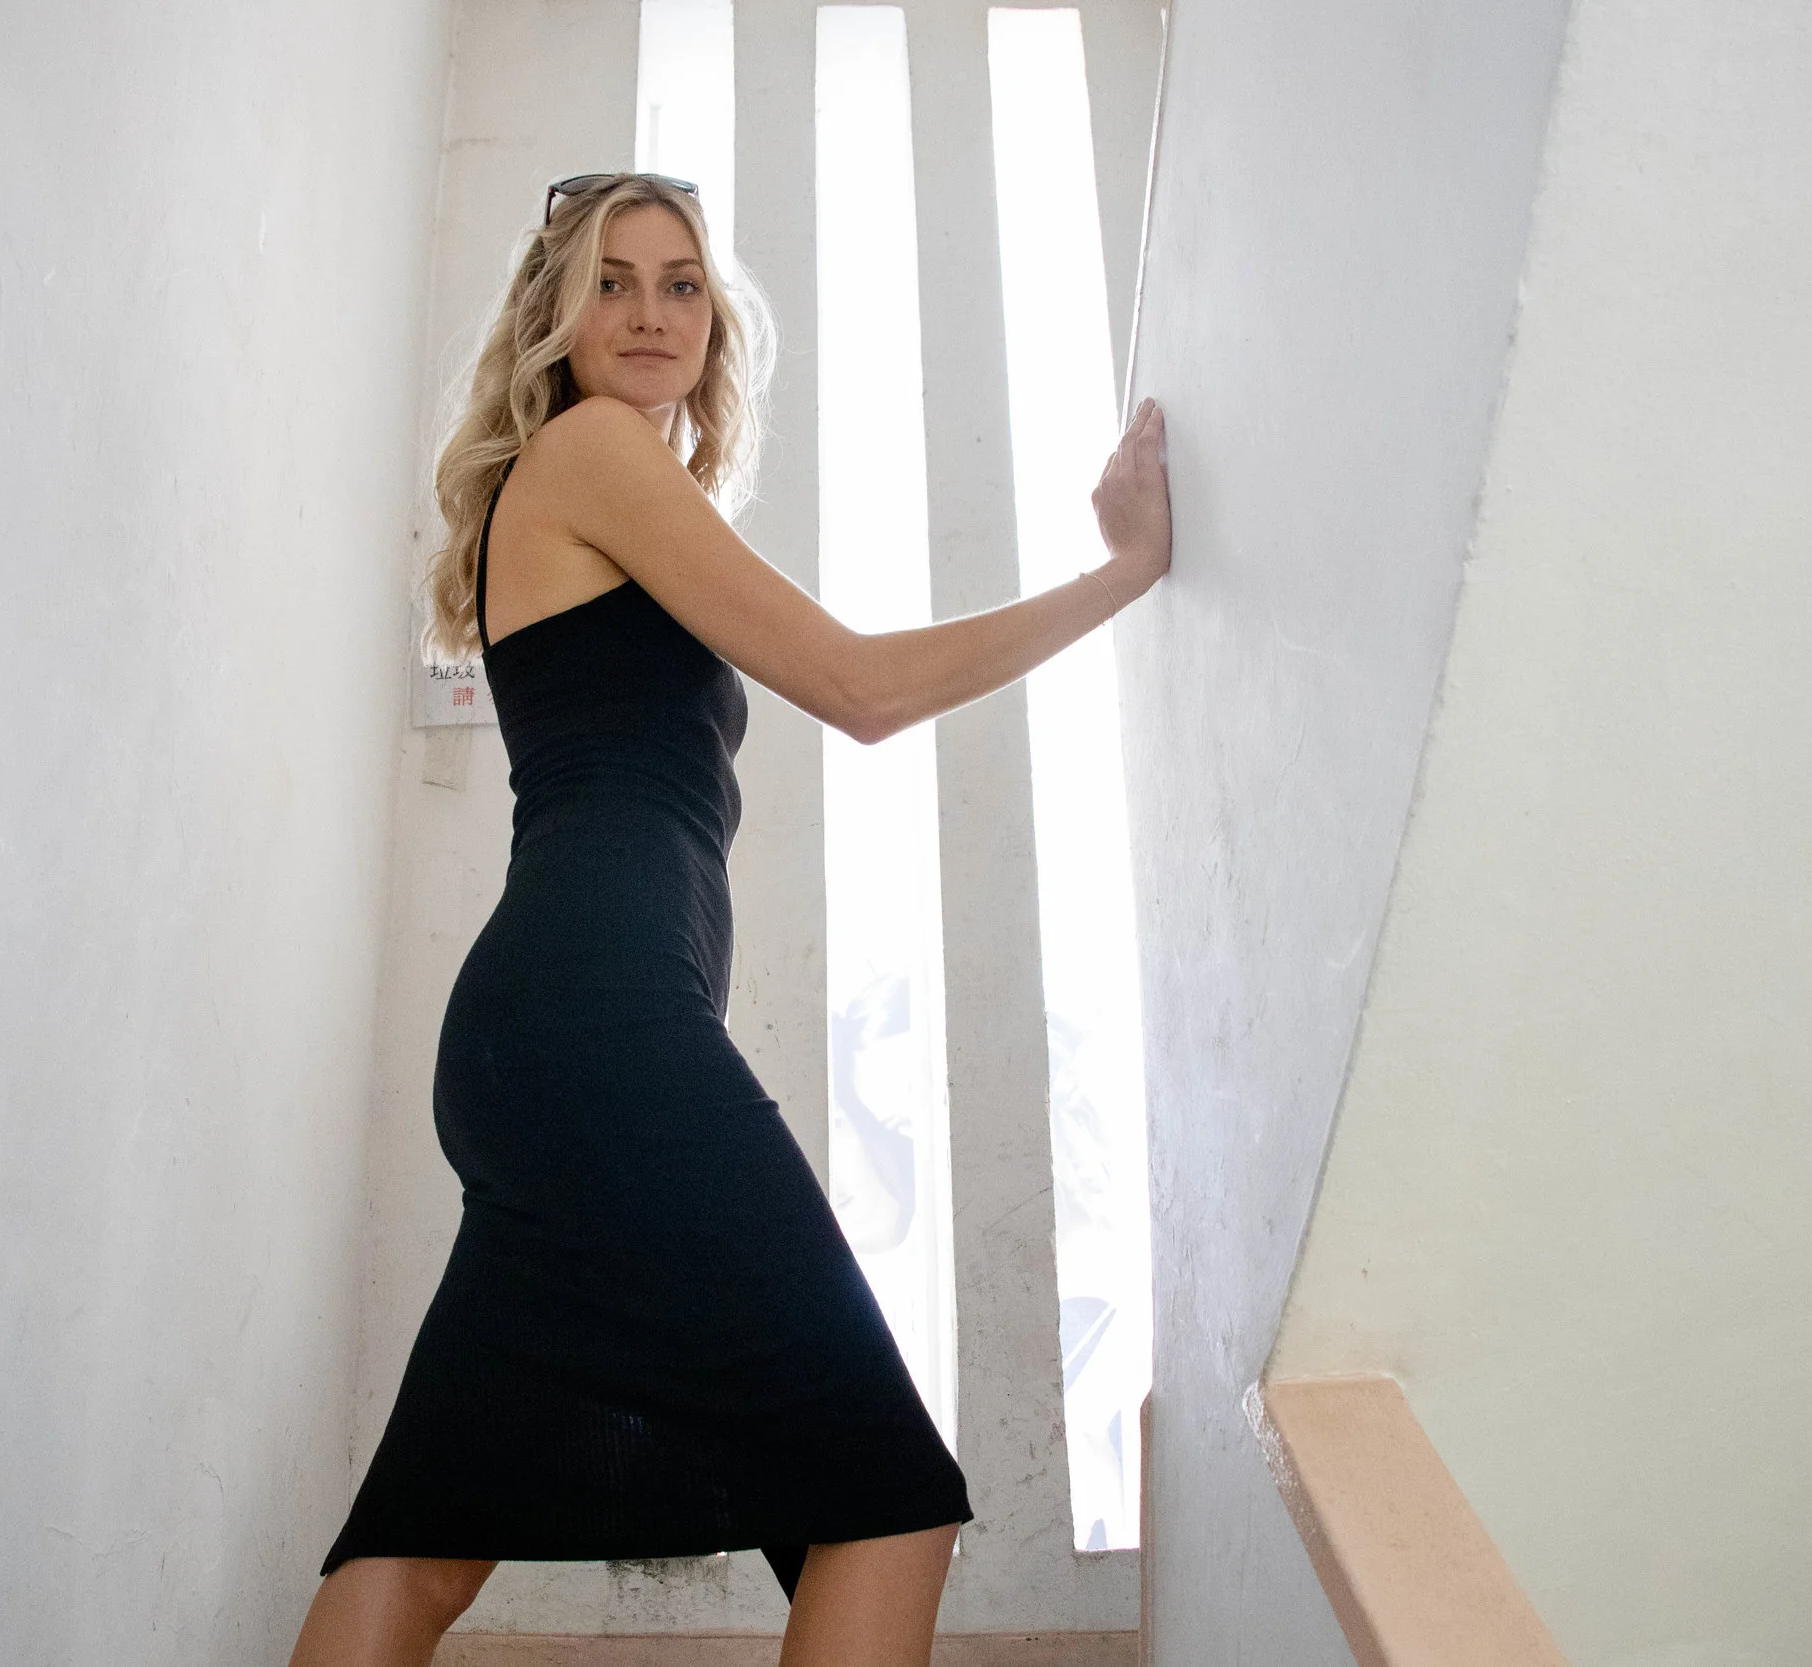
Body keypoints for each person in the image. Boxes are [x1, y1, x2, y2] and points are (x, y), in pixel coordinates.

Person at [287, 171, 1171, 1667]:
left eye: (682, 283)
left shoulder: (614, 487)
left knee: (425, 1540)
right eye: (611, 281)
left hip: (548, 1037)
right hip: (600, 1026)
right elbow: (862, 688)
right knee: (886, 1499)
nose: (650, 313)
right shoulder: (593, 452)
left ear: (714, 320)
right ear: (556, 318)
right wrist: (1122, 573)